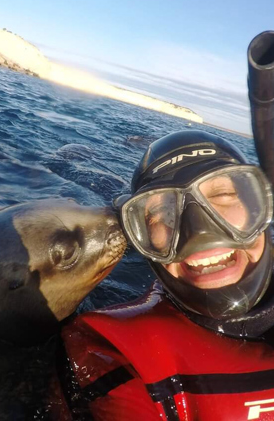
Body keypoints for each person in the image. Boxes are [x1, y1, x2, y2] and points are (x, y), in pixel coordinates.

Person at [52, 31, 274, 421]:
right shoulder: (112, 349)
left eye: (222, 197)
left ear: (262, 206)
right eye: (159, 215)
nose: (199, 231)